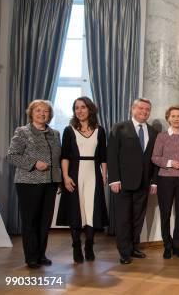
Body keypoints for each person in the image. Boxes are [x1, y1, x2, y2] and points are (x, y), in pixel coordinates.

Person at [6, 100, 62, 269]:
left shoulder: (55, 134)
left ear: (49, 115)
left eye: (45, 111)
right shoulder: (22, 132)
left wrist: (57, 179)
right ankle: (31, 257)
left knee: (45, 221)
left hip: (50, 183)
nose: (42, 114)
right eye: (38, 110)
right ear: (31, 113)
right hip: (28, 182)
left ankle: (41, 254)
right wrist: (34, 163)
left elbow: (57, 159)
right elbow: (12, 156)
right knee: (31, 221)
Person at [56, 97, 109, 263]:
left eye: (83, 107)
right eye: (76, 108)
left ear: (90, 109)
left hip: (93, 174)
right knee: (76, 212)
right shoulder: (69, 130)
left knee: (91, 212)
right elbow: (64, 156)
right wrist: (65, 177)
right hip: (74, 174)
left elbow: (103, 156)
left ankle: (89, 246)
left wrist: (104, 174)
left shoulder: (100, 130)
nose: (79, 110)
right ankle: (76, 246)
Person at [108, 98, 158, 265]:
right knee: (123, 218)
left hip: (143, 183)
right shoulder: (120, 127)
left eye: (147, 109)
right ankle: (124, 252)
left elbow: (153, 160)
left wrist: (153, 181)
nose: (144, 111)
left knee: (138, 217)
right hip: (122, 183)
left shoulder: (153, 131)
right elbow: (112, 155)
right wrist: (114, 179)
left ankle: (133, 247)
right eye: (141, 108)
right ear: (133, 109)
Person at [151, 105, 179, 259]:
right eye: (173, 116)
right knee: (166, 213)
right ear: (168, 118)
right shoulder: (161, 136)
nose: (176, 119)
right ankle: (167, 246)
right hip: (165, 179)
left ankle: (177, 246)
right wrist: (170, 162)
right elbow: (155, 157)